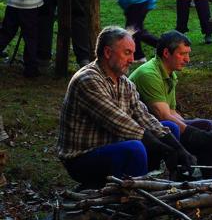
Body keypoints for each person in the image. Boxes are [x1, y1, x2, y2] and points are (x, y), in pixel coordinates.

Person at [57, 26, 195, 188]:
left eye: (133, 53)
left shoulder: (124, 82)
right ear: (108, 53)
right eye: (127, 53)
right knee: (135, 147)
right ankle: (137, 195)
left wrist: (177, 148)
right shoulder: (87, 80)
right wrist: (162, 148)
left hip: (112, 146)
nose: (132, 59)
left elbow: (144, 117)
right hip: (82, 157)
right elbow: (118, 121)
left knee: (169, 127)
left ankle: (155, 180)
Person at [129, 31, 212, 188]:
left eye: (188, 54)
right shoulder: (149, 74)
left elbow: (172, 111)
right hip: (151, 133)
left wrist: (201, 133)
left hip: (163, 125)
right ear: (166, 53)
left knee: (208, 127)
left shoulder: (168, 73)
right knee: (204, 133)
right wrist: (195, 134)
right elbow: (162, 115)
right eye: (182, 54)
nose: (187, 60)